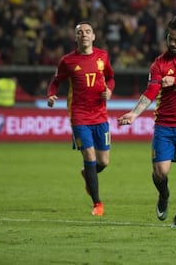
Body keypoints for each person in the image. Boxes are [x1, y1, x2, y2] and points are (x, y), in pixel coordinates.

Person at [118, 14, 176, 228]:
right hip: (164, 125)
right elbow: (150, 92)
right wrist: (134, 113)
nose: (173, 43)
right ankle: (163, 195)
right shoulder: (159, 63)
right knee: (160, 172)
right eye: (170, 38)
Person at [47, 21, 115, 216]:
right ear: (76, 37)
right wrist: (51, 94)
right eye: (80, 32)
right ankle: (98, 204)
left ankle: (87, 174)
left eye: (87, 31)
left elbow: (110, 77)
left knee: (103, 161)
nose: (84, 34)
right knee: (90, 156)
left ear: (93, 36)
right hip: (79, 116)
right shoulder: (67, 61)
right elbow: (56, 81)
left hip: (100, 116)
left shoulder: (103, 56)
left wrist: (109, 90)